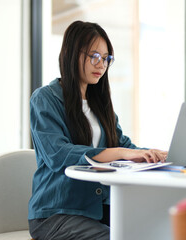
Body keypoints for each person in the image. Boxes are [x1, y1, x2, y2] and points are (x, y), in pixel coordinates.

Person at [28, 20, 168, 240]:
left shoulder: (99, 104)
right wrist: (121, 153)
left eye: (105, 59)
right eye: (94, 56)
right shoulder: (45, 99)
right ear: (73, 54)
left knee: (154, 229)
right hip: (56, 213)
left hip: (97, 208)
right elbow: (59, 154)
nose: (101, 65)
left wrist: (154, 154)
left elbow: (123, 145)